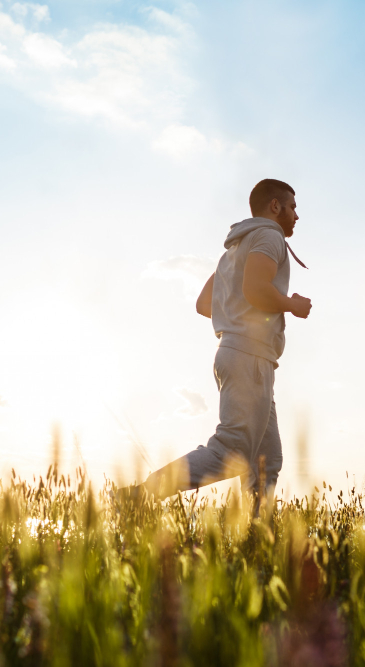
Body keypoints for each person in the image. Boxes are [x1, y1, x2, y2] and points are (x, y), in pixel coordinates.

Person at [140, 179, 312, 502]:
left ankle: (259, 538)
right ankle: (142, 495)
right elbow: (256, 290)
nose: (295, 216)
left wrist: (233, 321)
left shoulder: (236, 248)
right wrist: (291, 304)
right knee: (231, 450)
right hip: (249, 358)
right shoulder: (268, 236)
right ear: (274, 206)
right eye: (292, 207)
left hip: (236, 354)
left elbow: (204, 303)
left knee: (267, 460)